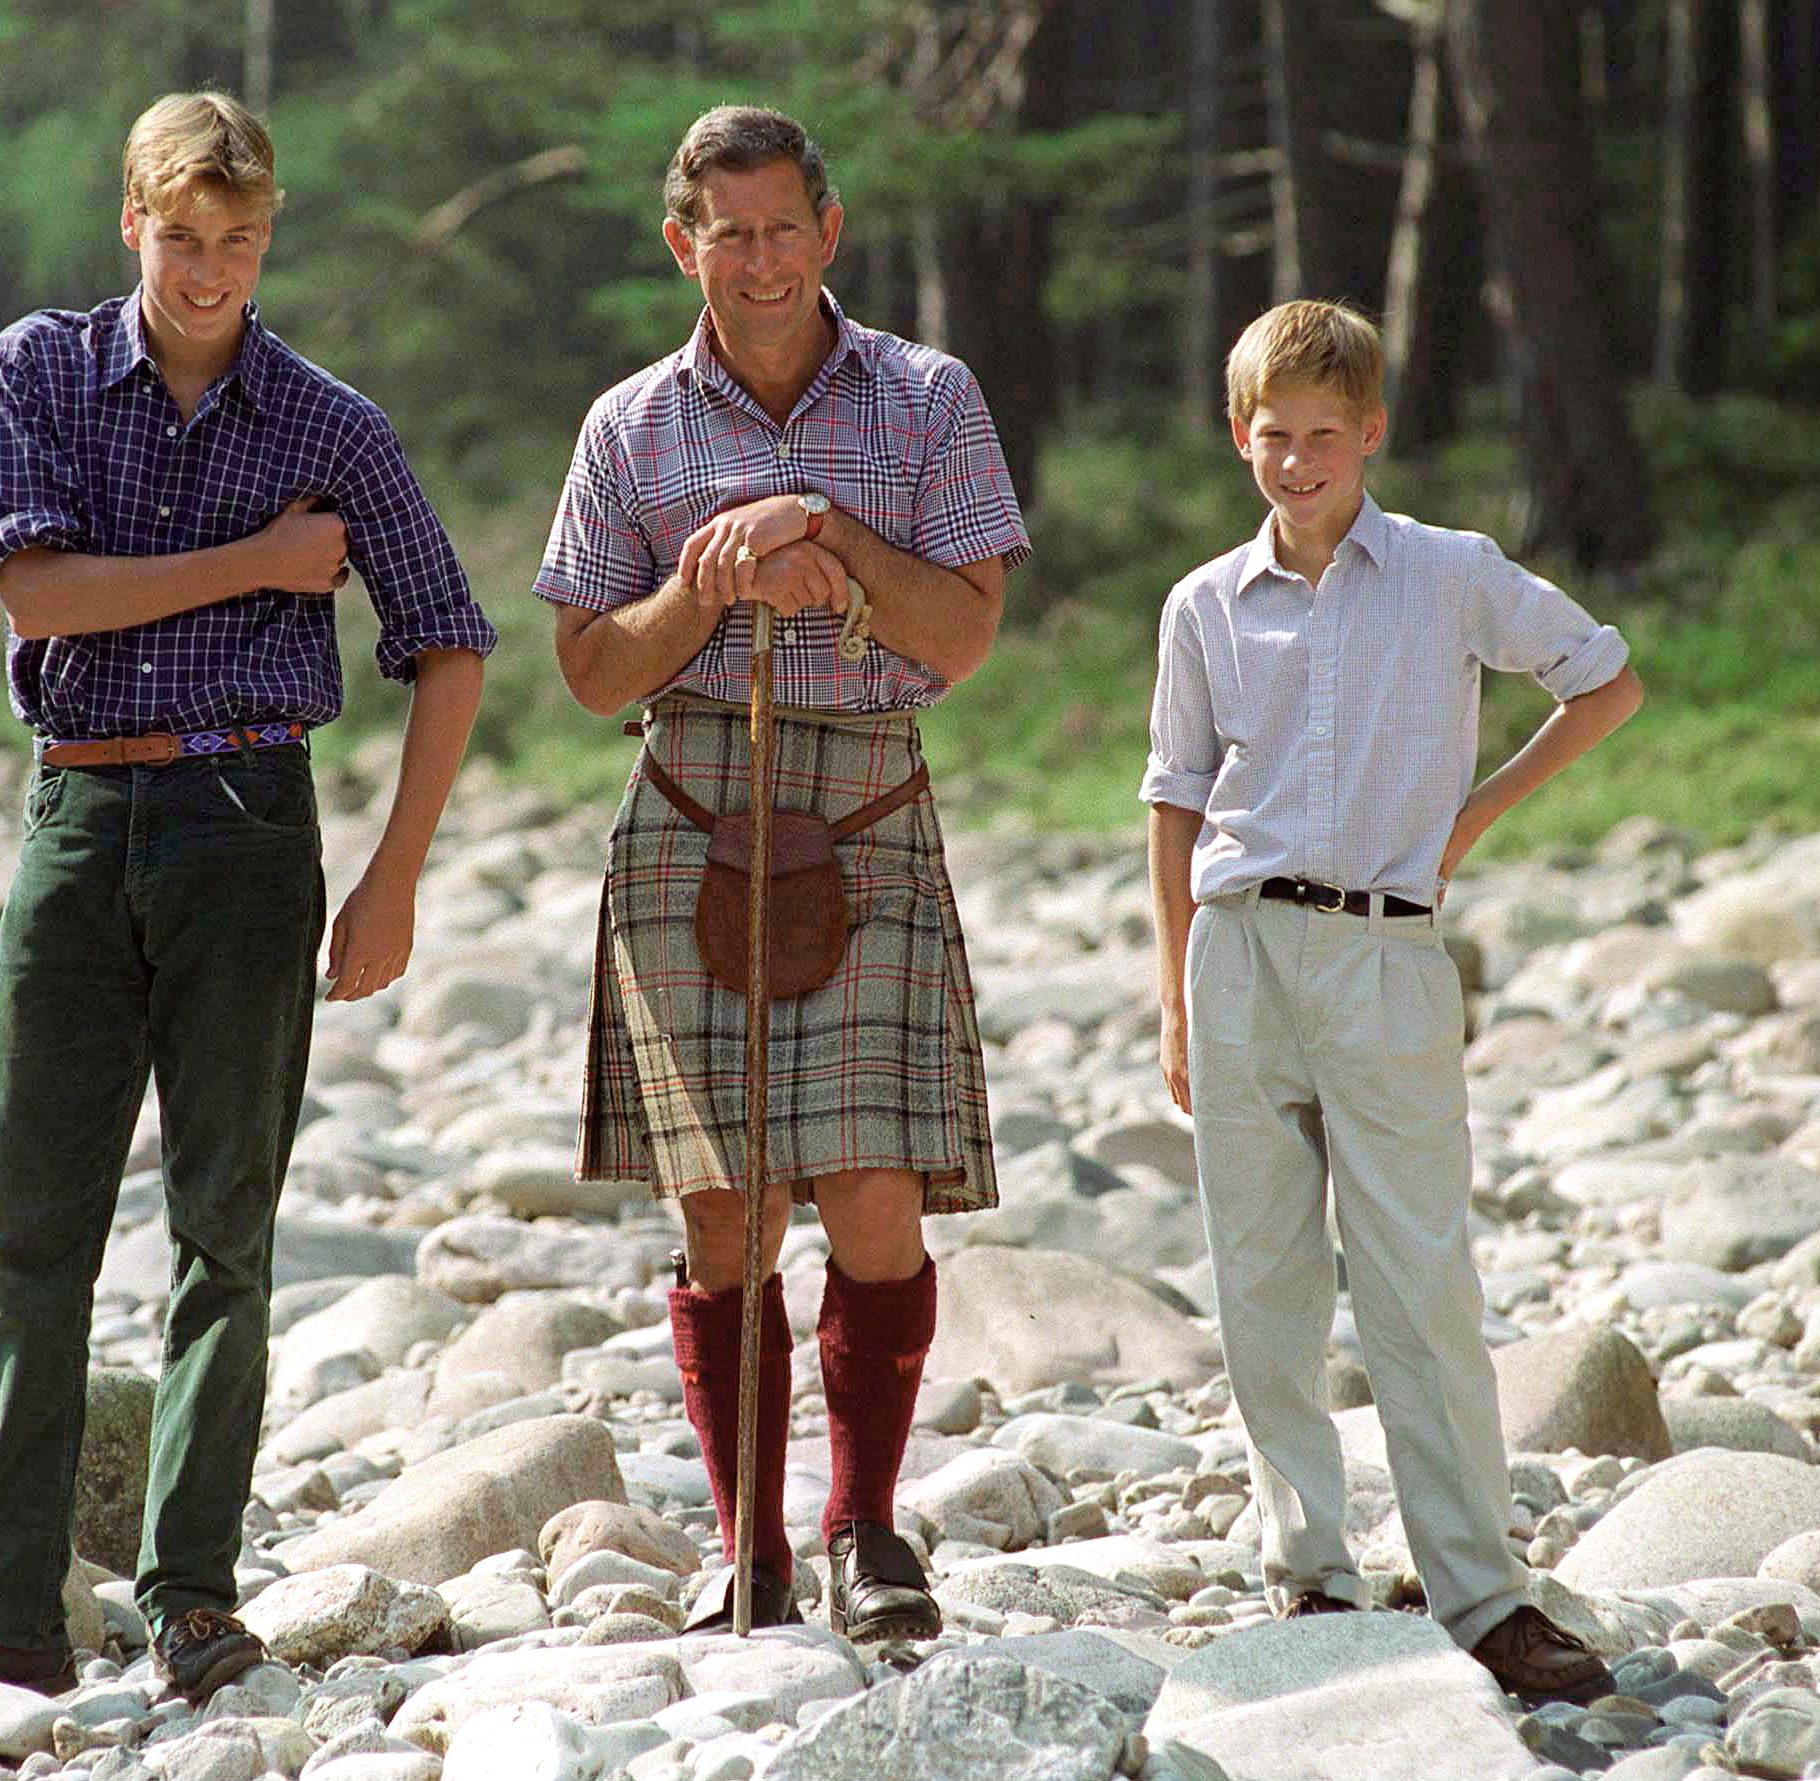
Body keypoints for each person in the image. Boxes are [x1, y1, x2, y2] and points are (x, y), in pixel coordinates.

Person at [0, 90, 494, 1731]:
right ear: (130, 221)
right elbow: (38, 587)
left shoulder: (328, 418)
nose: (210, 270)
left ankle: (194, 1604)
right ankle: (2, 1622)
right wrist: (262, 563)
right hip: (79, 811)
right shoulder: (39, 371)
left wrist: (395, 875)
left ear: (269, 236)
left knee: (226, 1232)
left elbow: (452, 636)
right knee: (27, 1236)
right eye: (182, 236)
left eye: (241, 240)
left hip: (249, 823)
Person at [535, 105, 1028, 1641]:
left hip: (867, 800)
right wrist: (715, 576)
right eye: (722, 233)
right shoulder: (629, 426)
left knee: (875, 1194)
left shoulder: (930, 397)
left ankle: (864, 1531)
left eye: (778, 228)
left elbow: (956, 635)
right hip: (691, 801)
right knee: (723, 1212)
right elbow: (587, 669)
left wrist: (823, 527)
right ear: (682, 243)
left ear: (829, 230)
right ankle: (745, 1543)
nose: (754, 261)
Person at [1144, 299, 1642, 1704]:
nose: (1295, 461)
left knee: (1418, 1278)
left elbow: (1602, 681)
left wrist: (1468, 823)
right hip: (1236, 953)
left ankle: (1483, 1593)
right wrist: (1174, 990)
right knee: (1263, 1282)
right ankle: (1305, 1570)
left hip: (1384, 954)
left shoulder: (1446, 572)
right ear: (1237, 436)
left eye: (1322, 435)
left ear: (1370, 433)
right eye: (1270, 436)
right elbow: (1174, 799)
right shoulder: (1201, 605)